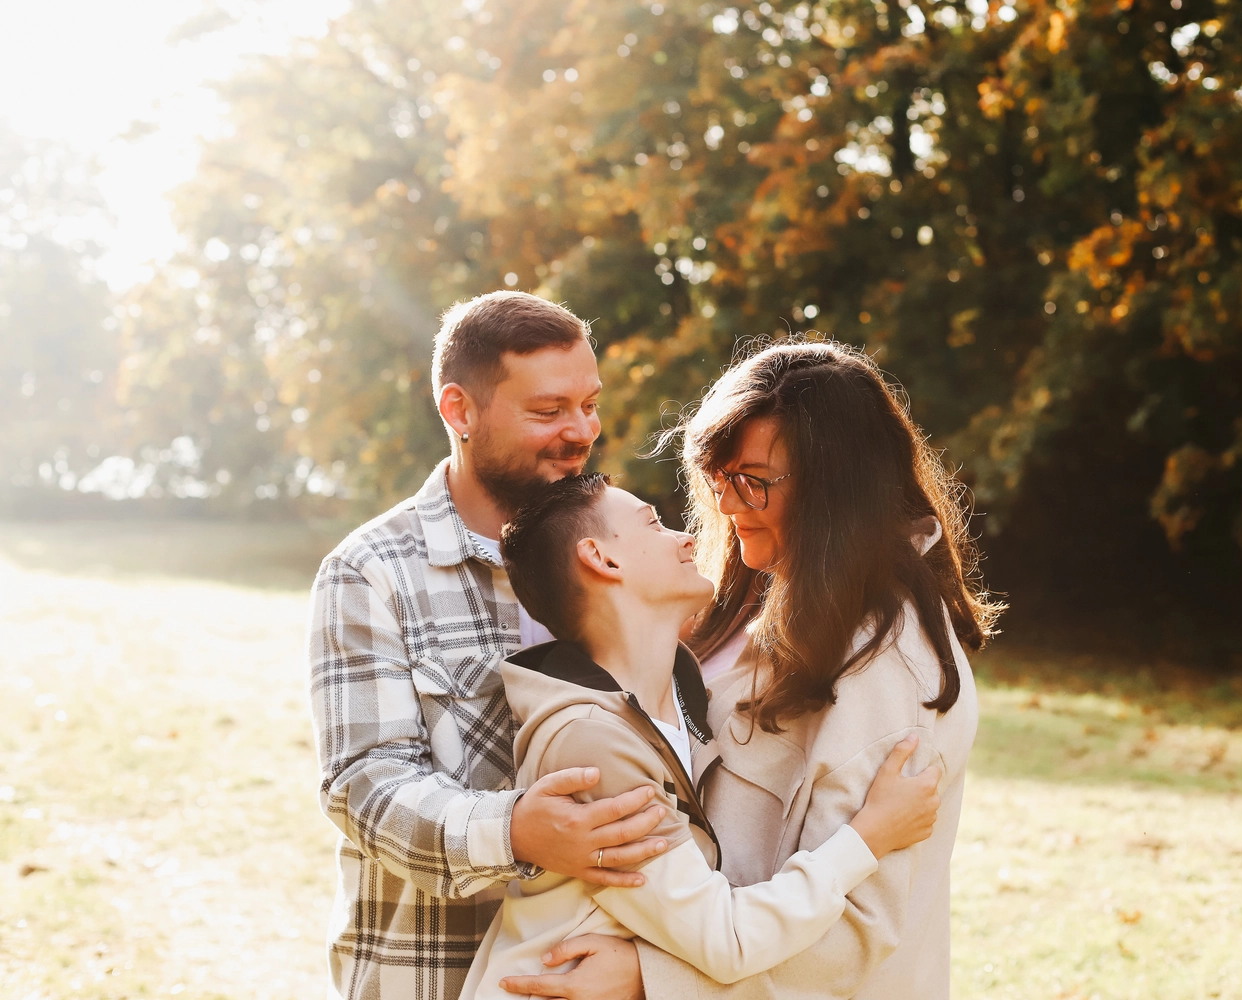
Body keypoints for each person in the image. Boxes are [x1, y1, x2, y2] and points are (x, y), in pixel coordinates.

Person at [502, 339, 1001, 999]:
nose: (727, 504)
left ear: (836, 490)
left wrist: (651, 979)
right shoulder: (737, 606)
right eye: (719, 477)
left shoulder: (892, 662)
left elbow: (859, 926)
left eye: (753, 481)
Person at [307, 291, 672, 1000]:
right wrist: (516, 833)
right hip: (434, 976)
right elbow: (364, 784)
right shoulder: (371, 573)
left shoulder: (621, 550)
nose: (581, 431)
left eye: (588, 405)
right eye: (548, 411)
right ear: (458, 411)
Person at [458, 474, 941, 998]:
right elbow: (726, 939)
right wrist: (868, 835)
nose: (684, 536)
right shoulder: (590, 743)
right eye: (652, 523)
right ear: (602, 558)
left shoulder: (683, 695)